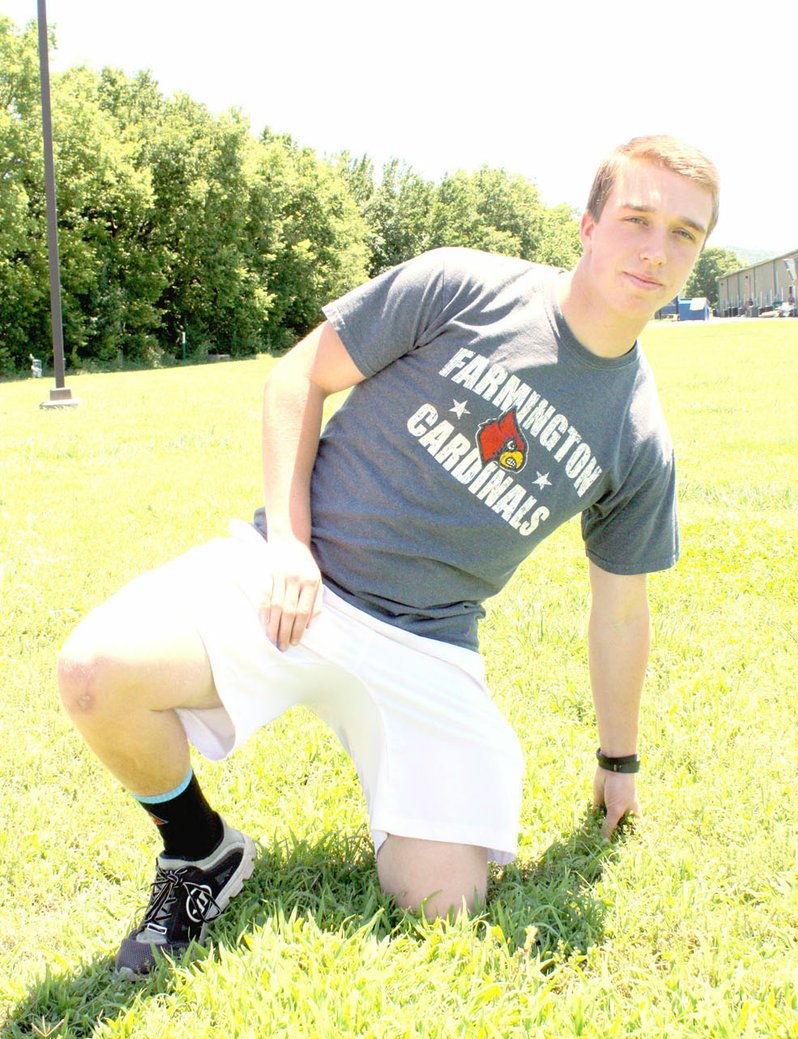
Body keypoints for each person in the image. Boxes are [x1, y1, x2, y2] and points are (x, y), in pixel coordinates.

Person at [57, 135, 719, 979]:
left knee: (443, 905)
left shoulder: (638, 435)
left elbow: (621, 609)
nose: (656, 250)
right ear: (588, 225)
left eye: (685, 234)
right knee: (93, 672)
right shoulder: (464, 285)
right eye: (638, 218)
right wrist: (290, 543)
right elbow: (296, 378)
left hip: (427, 642)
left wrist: (618, 763)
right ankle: (200, 850)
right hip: (294, 578)